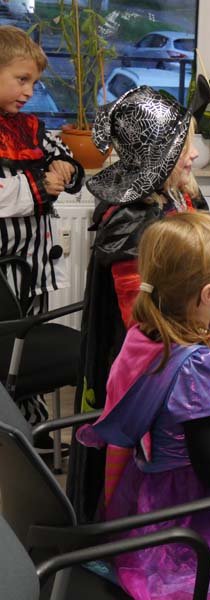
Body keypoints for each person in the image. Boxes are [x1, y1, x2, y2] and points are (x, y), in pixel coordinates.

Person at [67, 83, 210, 524]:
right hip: (150, 383)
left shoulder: (164, 199)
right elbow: (154, 329)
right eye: (183, 148)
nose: (194, 155)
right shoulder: (135, 224)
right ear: (156, 156)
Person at [76, 212, 210, 599]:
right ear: (208, 295)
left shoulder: (147, 331)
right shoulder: (200, 367)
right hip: (189, 512)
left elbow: (169, 390)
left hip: (146, 489)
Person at [0, 26, 84, 423]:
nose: (29, 91)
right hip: (3, 269)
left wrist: (65, 167)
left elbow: (60, 152)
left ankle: (32, 424)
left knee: (26, 353)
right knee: (11, 354)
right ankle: (15, 429)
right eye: (21, 79)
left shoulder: (29, 127)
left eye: (33, 82)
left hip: (32, 266)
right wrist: (39, 185)